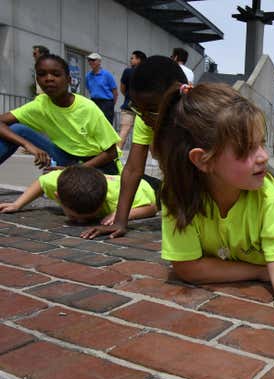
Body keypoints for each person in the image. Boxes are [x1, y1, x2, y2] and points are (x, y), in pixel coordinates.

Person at [153, 82, 274, 349]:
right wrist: (260, 272)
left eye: (262, 143)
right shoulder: (177, 195)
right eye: (246, 149)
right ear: (203, 160)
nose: (264, 156)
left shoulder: (267, 193)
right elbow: (188, 268)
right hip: (256, 247)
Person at [81, 56, 187, 240]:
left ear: (179, 96)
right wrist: (120, 221)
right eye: (138, 108)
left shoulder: (200, 117)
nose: (144, 116)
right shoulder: (146, 118)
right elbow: (132, 170)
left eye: (152, 108)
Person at [0, 54, 121, 174]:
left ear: (68, 80)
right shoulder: (40, 105)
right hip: (66, 156)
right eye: (42, 74)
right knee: (17, 129)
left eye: (56, 74)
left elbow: (112, 152)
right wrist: (28, 145)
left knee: (53, 182)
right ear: (37, 80)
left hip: (95, 163)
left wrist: (74, 170)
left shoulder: (87, 108)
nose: (49, 78)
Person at [0, 165, 156, 224]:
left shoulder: (117, 199)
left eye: (89, 218)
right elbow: (41, 182)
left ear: (104, 201)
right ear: (58, 197)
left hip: (145, 187)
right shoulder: (57, 181)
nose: (81, 222)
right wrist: (17, 204)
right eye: (74, 217)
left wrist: (123, 213)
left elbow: (151, 208)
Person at [117, 50, 146, 149]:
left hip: (128, 106)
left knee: (124, 130)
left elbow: (122, 88)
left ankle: (117, 155)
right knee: (143, 134)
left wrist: (128, 96)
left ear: (139, 59)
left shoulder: (128, 71)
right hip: (143, 108)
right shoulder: (147, 74)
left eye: (132, 58)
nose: (131, 60)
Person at [85, 53, 118, 125]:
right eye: (89, 60)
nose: (91, 62)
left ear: (99, 62)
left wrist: (112, 104)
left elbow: (115, 91)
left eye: (93, 60)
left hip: (106, 103)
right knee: (94, 123)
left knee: (107, 124)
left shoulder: (107, 75)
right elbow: (89, 89)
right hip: (94, 102)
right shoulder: (88, 76)